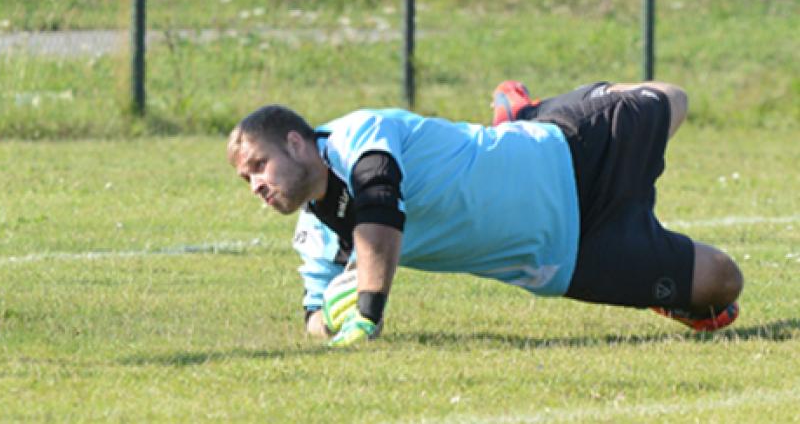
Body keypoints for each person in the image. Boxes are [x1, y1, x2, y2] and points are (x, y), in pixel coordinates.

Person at [226, 81, 744, 347]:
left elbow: (379, 205)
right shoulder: (314, 235)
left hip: (562, 150)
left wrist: (366, 313)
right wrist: (329, 320)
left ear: (296, 143)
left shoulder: (356, 135)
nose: (256, 185)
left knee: (671, 98)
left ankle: (524, 112)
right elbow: (312, 317)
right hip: (566, 258)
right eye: (246, 178)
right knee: (723, 282)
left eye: (259, 166)